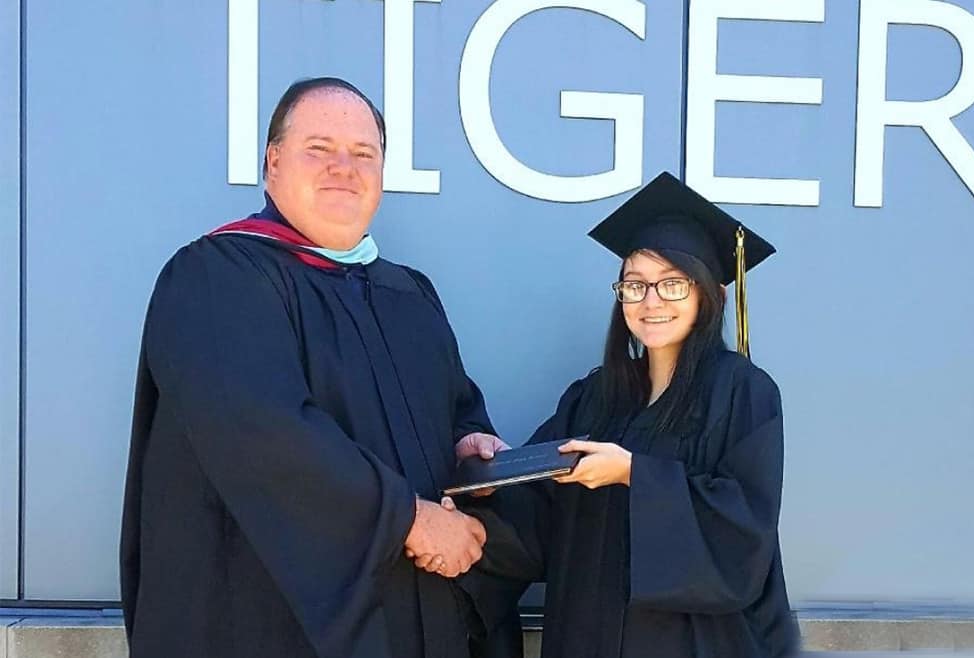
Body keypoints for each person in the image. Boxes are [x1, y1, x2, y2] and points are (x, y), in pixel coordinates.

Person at [120, 77, 510, 658]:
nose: (343, 168)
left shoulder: (408, 292)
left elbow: (456, 407)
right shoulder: (217, 277)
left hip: (406, 617)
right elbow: (261, 433)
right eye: (319, 149)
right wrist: (408, 520)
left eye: (363, 154)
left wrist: (468, 442)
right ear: (273, 162)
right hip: (264, 623)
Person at [449, 172, 800, 657]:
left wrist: (635, 474)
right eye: (634, 285)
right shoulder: (596, 395)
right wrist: (491, 479)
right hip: (585, 636)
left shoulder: (743, 393)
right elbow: (538, 515)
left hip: (692, 644)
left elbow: (744, 531)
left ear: (710, 294)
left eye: (672, 284)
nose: (650, 301)